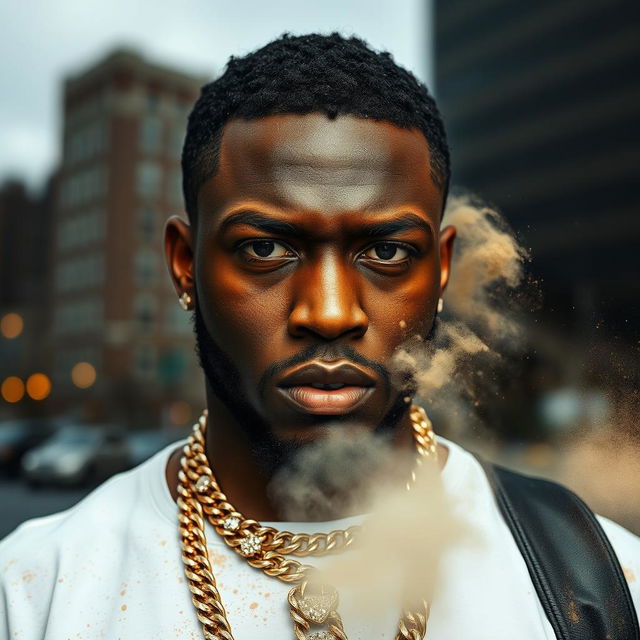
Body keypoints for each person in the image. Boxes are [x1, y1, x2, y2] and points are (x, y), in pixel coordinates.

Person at [0, 33, 638, 640]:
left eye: (386, 250)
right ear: (185, 265)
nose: (330, 313)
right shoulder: (33, 591)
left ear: (441, 271)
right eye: (266, 248)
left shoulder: (599, 581)